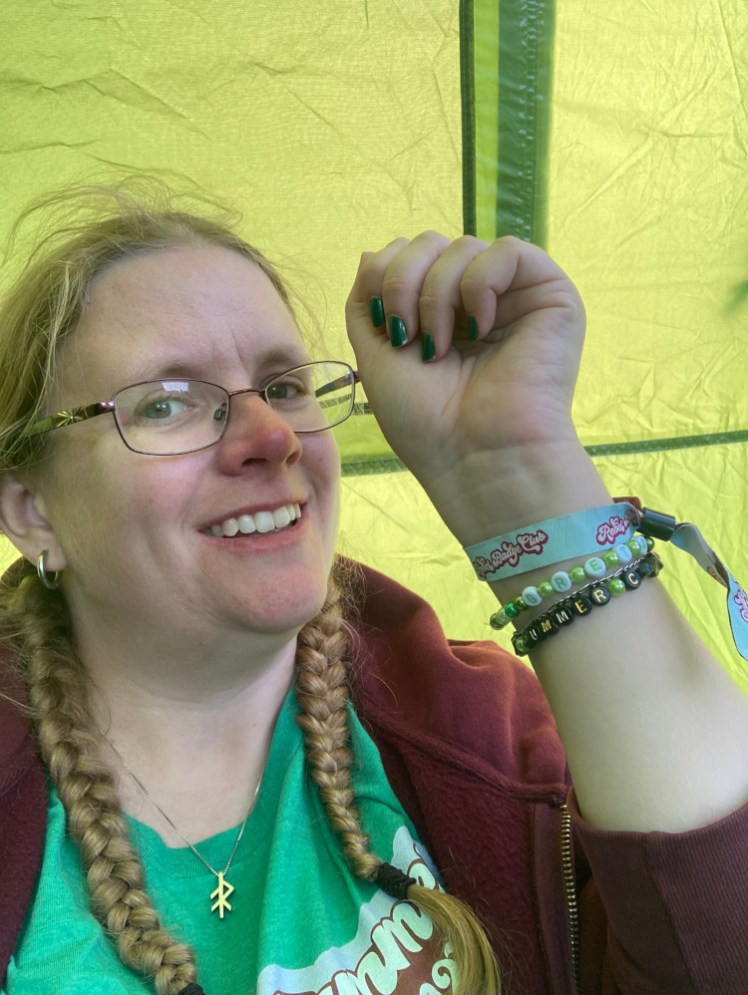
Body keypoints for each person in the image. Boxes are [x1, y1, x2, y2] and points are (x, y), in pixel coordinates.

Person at [0, 182, 746, 995]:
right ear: (30, 509)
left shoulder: (479, 733)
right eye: (169, 402)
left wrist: (521, 475)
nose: (273, 436)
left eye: (283, 386)